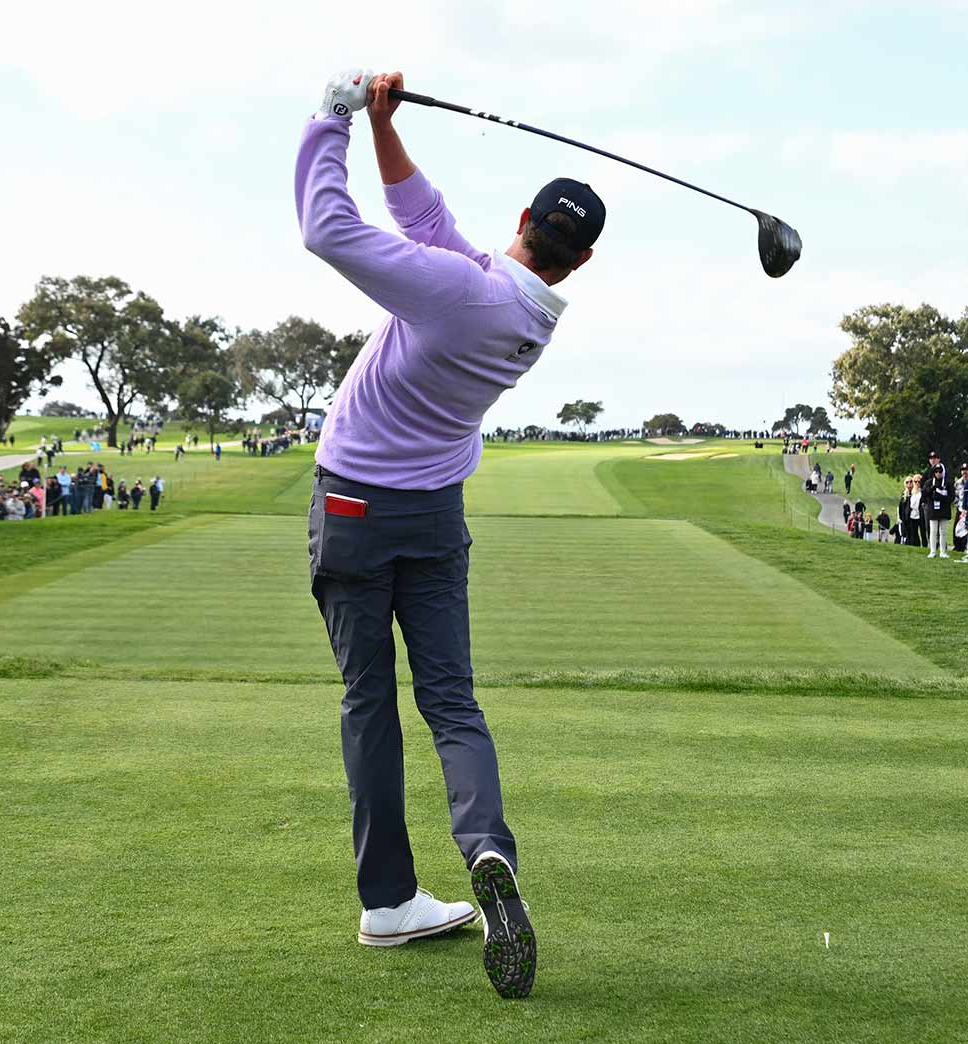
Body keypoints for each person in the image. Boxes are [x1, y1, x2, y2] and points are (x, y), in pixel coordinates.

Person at [298, 68, 585, 996]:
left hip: (352, 507)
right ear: (575, 261)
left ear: (522, 218)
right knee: (452, 703)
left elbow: (326, 230)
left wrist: (332, 116)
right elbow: (429, 229)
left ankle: (388, 900)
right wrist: (387, 130)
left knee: (370, 702)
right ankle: (487, 853)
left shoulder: (463, 295)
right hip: (433, 515)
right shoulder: (522, 311)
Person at [921, 453, 952, 558]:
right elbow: (924, 494)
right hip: (933, 510)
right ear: (934, 473)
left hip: (944, 510)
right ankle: (933, 551)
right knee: (933, 531)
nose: (938, 473)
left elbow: (951, 497)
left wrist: (941, 496)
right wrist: (932, 489)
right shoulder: (929, 482)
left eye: (940, 472)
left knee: (943, 531)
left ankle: (943, 551)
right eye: (936, 472)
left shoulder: (947, 483)